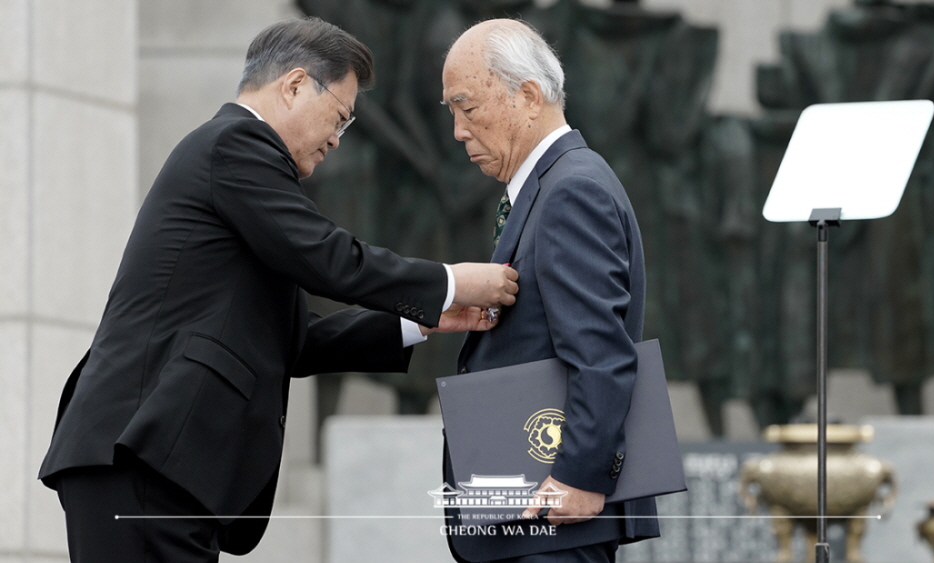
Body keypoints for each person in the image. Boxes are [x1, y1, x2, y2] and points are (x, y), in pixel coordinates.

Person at [38, 17, 518, 563]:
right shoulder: (235, 144)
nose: (339, 139)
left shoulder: (243, 172)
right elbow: (328, 257)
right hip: (141, 452)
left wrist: (420, 321)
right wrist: (451, 280)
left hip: (158, 463)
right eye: (339, 117)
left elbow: (296, 341)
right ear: (293, 86)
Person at [440, 19, 658, 563]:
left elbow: (602, 354)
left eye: (467, 108)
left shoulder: (571, 190)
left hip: (555, 516)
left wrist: (579, 476)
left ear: (529, 97)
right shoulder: (556, 183)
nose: (458, 130)